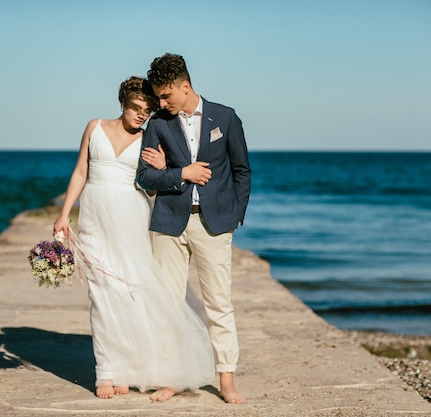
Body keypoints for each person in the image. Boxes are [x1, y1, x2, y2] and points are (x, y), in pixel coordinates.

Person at [53, 76, 215, 400]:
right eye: (136, 108)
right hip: (94, 220)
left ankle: (131, 369)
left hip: (131, 219)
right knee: (100, 298)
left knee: (130, 295)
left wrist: (163, 165)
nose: (142, 114)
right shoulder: (94, 127)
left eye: (147, 110)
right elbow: (81, 172)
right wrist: (64, 214)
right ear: (123, 103)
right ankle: (107, 372)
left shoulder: (148, 138)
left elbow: (152, 185)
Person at [137, 53, 252, 404]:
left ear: (184, 86)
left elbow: (241, 170)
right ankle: (172, 377)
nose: (160, 102)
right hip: (170, 222)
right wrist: (180, 174)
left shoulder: (226, 118)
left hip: (214, 223)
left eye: (165, 95)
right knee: (168, 304)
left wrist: (235, 215)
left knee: (219, 303)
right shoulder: (157, 124)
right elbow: (145, 177)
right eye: (158, 96)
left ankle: (226, 379)